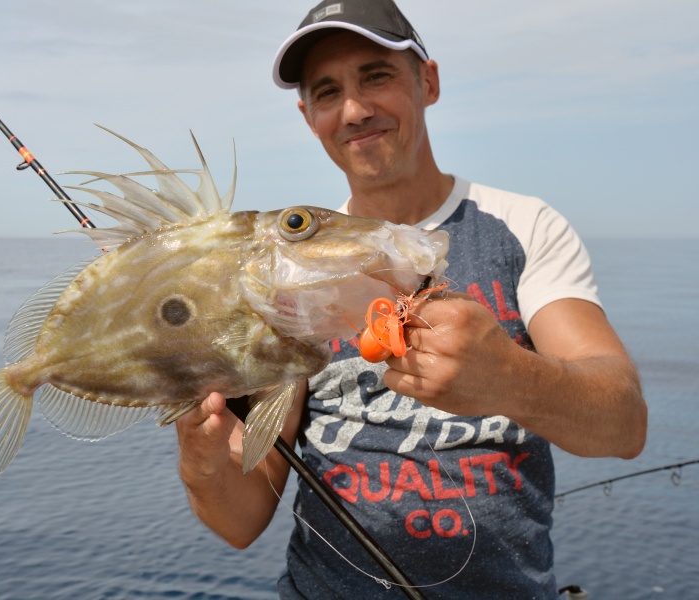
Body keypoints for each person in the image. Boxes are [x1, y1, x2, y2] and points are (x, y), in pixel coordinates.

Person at [176, 0, 648, 597]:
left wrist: (508, 376)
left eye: (376, 76)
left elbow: (624, 425)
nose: (354, 110)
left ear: (428, 81)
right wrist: (202, 456)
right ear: (308, 116)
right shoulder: (285, 265)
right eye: (327, 92)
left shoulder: (523, 225)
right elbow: (239, 521)